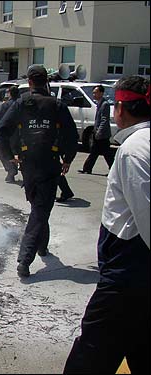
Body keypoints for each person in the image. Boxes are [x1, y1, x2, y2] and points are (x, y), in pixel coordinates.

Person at [64, 76, 150, 374]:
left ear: (121, 108)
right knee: (140, 343)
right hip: (135, 270)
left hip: (129, 272)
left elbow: (147, 214)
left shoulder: (134, 150)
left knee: (92, 352)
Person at [0, 65, 78, 277]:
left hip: (28, 165)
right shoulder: (57, 105)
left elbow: (2, 131)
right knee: (40, 210)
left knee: (40, 207)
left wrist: (9, 156)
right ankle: (25, 259)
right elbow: (71, 135)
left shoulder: (21, 103)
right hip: (50, 164)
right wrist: (67, 158)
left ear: (30, 82)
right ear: (45, 82)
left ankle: (42, 247)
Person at [78, 85, 115, 174]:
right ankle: (87, 169)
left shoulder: (105, 104)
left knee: (107, 154)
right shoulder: (99, 103)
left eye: (96, 92)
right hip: (97, 133)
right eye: (93, 92)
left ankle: (114, 170)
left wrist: (99, 132)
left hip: (102, 135)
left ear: (101, 93)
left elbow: (104, 120)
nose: (94, 94)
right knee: (94, 152)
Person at [0, 86, 19, 183]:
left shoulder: (6, 105)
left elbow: (1, 119)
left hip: (8, 133)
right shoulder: (20, 103)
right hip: (20, 133)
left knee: (3, 153)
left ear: (9, 93)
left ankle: (11, 170)